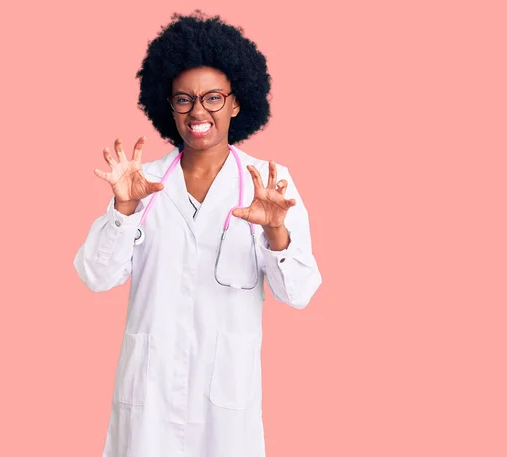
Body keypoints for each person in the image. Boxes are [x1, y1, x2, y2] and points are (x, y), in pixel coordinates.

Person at [73, 10, 322, 457]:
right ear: (168, 106)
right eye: (183, 99)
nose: (198, 111)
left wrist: (277, 232)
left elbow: (299, 292)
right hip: (149, 398)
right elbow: (96, 276)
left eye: (212, 98)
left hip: (224, 406)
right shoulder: (141, 182)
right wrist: (124, 208)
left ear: (236, 102)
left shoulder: (268, 182)